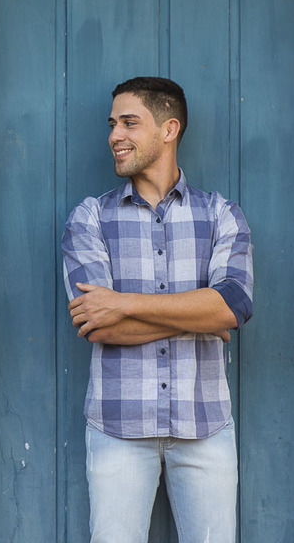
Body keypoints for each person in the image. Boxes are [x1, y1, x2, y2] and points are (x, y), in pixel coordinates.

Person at [62, 77, 253, 543]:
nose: (114, 135)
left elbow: (233, 305)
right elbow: (96, 323)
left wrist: (123, 303)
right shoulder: (90, 217)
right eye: (113, 124)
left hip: (203, 425)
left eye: (130, 122)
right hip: (117, 427)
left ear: (169, 129)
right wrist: (198, 317)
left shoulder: (222, 214)